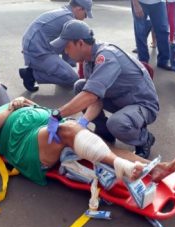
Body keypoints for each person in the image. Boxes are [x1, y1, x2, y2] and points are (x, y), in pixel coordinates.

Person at [0, 97, 175, 186]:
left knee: (103, 145)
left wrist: (27, 104)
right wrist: (12, 107)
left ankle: (154, 170)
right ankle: (125, 167)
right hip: (25, 144)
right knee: (66, 130)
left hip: (44, 131)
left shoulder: (8, 106)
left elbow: (44, 112)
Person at [47, 20, 159, 159]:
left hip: (142, 104)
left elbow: (90, 96)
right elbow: (95, 98)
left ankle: (144, 138)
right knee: (80, 86)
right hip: (120, 98)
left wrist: (57, 114)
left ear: (80, 43)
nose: (65, 51)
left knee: (117, 123)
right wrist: (83, 122)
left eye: (67, 46)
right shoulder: (89, 60)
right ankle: (105, 131)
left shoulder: (106, 56)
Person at [19, 0, 93, 92]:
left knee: (69, 42)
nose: (84, 18)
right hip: (37, 51)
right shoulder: (69, 20)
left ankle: (64, 70)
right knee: (73, 79)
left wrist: (70, 67)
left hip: (37, 45)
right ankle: (31, 74)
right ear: (79, 9)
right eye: (85, 14)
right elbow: (78, 46)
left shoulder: (64, 13)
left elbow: (68, 45)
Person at [131, 0, 172, 70]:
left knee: (163, 31)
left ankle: (164, 61)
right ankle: (143, 61)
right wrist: (136, 4)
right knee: (140, 32)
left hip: (159, 3)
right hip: (141, 3)